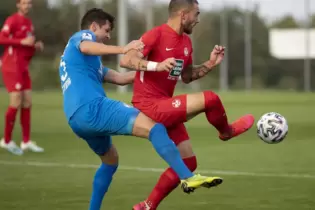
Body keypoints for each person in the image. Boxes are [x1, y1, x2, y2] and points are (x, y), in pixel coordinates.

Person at [59, 8, 223, 210]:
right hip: (93, 109)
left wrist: (159, 69)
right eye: (107, 30)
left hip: (76, 119)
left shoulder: (87, 63)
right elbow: (86, 46)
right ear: (93, 27)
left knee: (110, 161)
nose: (108, 36)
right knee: (155, 127)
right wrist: (123, 49)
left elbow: (120, 79)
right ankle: (187, 177)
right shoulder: (82, 38)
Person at [119, 0, 255, 209]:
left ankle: (147, 205)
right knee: (210, 99)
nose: (198, 20)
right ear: (183, 15)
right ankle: (226, 132)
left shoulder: (185, 43)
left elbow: (187, 76)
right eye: (196, 14)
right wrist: (157, 65)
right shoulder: (156, 34)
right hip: (149, 105)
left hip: (164, 105)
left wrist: (210, 63)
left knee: (189, 163)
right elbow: (127, 60)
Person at [0, 0, 44, 155]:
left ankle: (26, 142)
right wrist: (21, 41)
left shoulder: (28, 23)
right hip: (11, 65)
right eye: (24, 3)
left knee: (27, 101)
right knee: (16, 100)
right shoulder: (12, 20)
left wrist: (34, 46)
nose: (27, 6)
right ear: (18, 5)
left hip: (23, 67)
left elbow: (27, 45)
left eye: (29, 3)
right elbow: (2, 38)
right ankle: (6, 140)